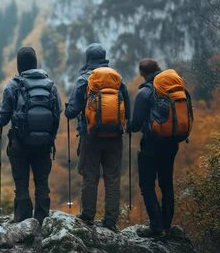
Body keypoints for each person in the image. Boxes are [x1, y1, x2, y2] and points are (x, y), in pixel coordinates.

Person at [65, 43, 130, 232]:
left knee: (90, 176)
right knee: (112, 177)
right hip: (115, 137)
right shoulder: (117, 79)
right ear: (105, 57)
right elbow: (128, 110)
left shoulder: (83, 80)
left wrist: (68, 108)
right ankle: (111, 220)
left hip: (90, 136)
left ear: (87, 59)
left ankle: (87, 217)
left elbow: (71, 112)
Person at [0, 47, 61, 224]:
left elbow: (3, 118)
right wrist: (50, 136)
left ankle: (23, 220)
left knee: (21, 181)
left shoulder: (13, 85)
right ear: (35, 63)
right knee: (42, 182)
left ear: (19, 65)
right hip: (44, 144)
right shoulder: (50, 86)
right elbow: (57, 113)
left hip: (20, 143)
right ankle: (42, 220)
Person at [128, 59, 179, 238]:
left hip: (151, 145)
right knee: (166, 184)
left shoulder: (146, 92)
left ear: (142, 73)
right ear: (158, 69)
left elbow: (135, 124)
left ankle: (156, 227)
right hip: (172, 143)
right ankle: (167, 225)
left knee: (147, 185)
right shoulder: (174, 88)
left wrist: (127, 125)